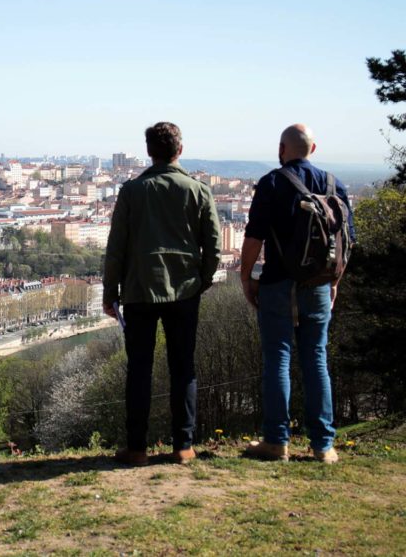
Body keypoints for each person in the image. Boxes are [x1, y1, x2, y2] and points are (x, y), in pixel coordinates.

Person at [104, 123, 222, 466]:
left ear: (149, 151)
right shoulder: (198, 190)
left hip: (140, 288)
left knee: (139, 369)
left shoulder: (133, 191)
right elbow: (213, 243)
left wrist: (110, 292)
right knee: (183, 367)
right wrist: (203, 279)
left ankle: (137, 448)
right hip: (185, 289)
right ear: (179, 150)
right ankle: (183, 446)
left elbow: (116, 248)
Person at [241, 124, 354, 463]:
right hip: (318, 285)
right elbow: (346, 244)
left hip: (277, 283)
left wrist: (246, 277)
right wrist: (333, 282)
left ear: (281, 149)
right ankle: (324, 446)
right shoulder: (336, 185)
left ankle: (277, 442)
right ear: (313, 148)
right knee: (316, 360)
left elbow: (254, 237)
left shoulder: (272, 183)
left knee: (278, 359)